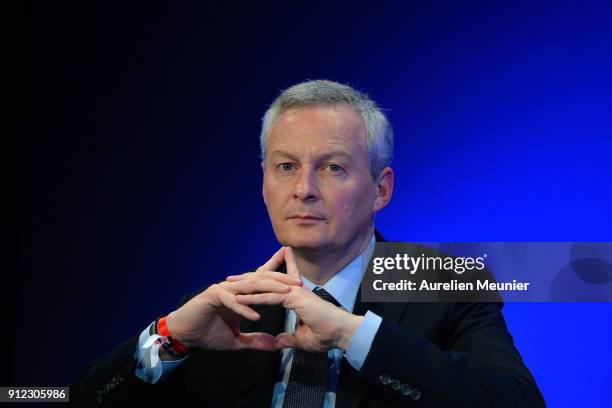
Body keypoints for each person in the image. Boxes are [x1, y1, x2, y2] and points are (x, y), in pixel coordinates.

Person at [71, 80, 544, 407]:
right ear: (264, 183)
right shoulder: (227, 308)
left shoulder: (443, 284)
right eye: (286, 167)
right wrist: (168, 338)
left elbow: (515, 403)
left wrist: (349, 333)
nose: (304, 189)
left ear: (381, 189)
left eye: (333, 167)